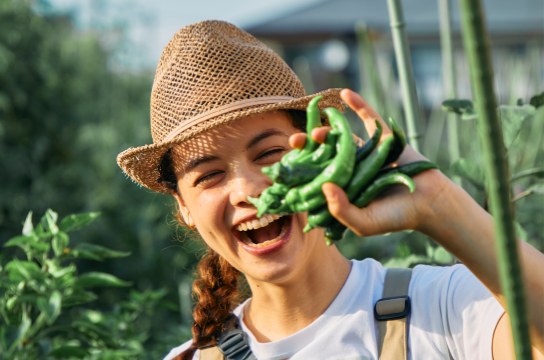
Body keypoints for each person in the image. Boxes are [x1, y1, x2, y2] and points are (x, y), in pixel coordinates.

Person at [117, 20, 544, 360]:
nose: (246, 189)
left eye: (268, 152)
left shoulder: (444, 307)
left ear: (319, 148)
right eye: (209, 175)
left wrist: (440, 206)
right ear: (184, 206)